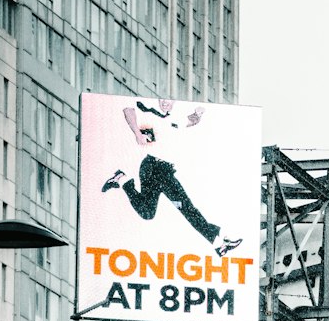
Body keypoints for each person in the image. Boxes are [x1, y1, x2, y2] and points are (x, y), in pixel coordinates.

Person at [102, 98, 242, 256]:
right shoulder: (149, 112)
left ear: (174, 103)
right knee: (180, 209)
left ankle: (121, 179)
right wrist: (137, 133)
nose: (165, 103)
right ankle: (220, 242)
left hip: (165, 171)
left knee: (156, 212)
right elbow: (128, 110)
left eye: (169, 101)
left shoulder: (175, 120)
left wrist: (198, 114)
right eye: (162, 100)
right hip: (152, 167)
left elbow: (191, 121)